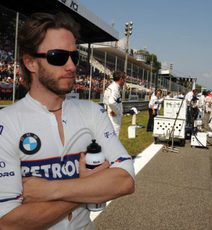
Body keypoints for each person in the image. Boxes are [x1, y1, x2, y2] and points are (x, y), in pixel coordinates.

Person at [0, 12, 135, 230]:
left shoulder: (92, 111)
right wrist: (89, 187)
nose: (71, 66)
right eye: (58, 56)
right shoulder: (6, 124)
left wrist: (50, 191)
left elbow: (126, 180)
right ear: (30, 62)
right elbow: (7, 221)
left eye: (75, 56)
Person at [103, 71, 126, 136]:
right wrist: (116, 112)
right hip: (113, 118)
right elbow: (111, 102)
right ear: (121, 79)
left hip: (108, 116)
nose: (124, 81)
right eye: (124, 79)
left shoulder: (111, 87)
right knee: (114, 138)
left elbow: (106, 101)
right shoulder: (114, 89)